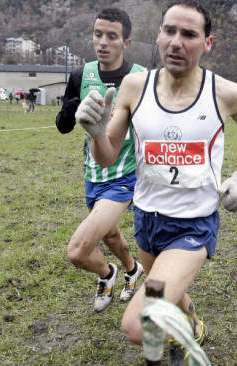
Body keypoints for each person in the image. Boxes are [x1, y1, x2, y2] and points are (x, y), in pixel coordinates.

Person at [76, 0, 237, 357]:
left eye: (189, 34)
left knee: (136, 325)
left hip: (192, 227)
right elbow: (108, 156)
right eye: (169, 31)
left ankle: (184, 337)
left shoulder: (225, 93)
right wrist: (96, 134)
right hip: (147, 220)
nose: (176, 42)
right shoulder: (135, 87)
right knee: (172, 293)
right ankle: (192, 325)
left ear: (207, 43)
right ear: (159, 35)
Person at [55, 7, 147, 313]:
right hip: (92, 173)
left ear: (126, 42)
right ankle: (132, 270)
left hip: (125, 176)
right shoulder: (81, 75)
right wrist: (71, 110)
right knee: (109, 233)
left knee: (78, 251)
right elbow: (63, 125)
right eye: (98, 34)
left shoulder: (141, 78)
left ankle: (106, 274)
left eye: (112, 36)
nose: (103, 42)